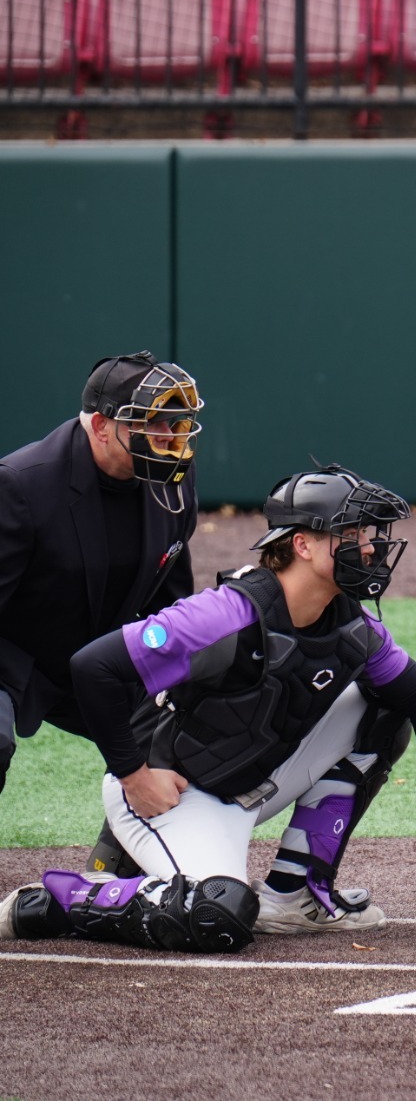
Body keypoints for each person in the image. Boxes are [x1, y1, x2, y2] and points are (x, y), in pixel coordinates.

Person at [0, 464, 416, 952]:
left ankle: (295, 893)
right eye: (352, 534)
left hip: (256, 779)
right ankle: (62, 901)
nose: (370, 547)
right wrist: (133, 774)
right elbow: (93, 668)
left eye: (369, 534)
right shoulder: (226, 613)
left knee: (385, 705)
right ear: (303, 544)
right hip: (176, 796)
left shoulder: (353, 624)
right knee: (220, 913)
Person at [0, 353, 202, 874]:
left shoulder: (172, 473)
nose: (170, 436)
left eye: (178, 424)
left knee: (202, 720)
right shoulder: (21, 485)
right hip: (13, 654)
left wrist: (189, 684)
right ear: (101, 425)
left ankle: (109, 876)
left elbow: (171, 599)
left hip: (100, 657)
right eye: (152, 423)